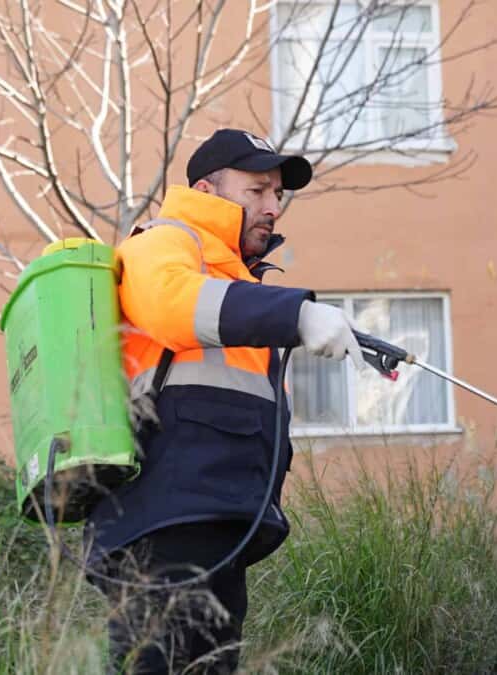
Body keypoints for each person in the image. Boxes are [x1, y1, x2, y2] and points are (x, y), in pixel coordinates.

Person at [84, 128, 363, 674]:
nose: (273, 207)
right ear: (208, 190)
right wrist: (295, 315)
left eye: (277, 194)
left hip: (214, 522)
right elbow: (169, 302)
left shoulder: (237, 281)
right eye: (256, 190)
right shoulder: (164, 242)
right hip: (159, 522)